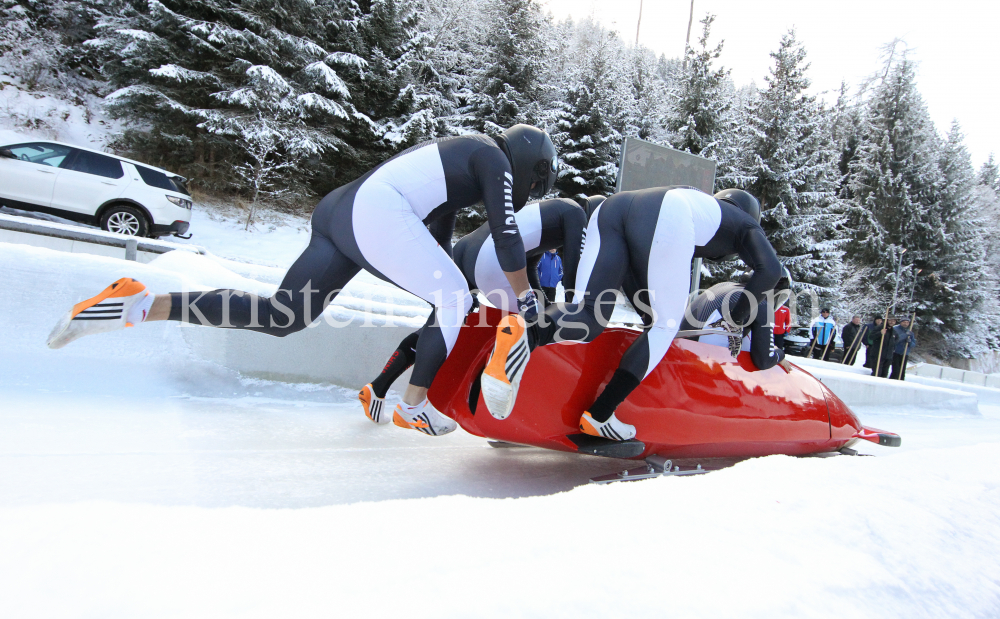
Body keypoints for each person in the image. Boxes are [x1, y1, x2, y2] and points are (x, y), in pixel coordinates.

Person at [47, 124, 559, 437]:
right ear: (530, 168)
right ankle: (413, 407)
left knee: (283, 316)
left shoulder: (460, 162)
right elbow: (507, 234)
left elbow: (440, 244)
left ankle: (140, 303)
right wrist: (524, 297)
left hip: (341, 208)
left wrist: (445, 299)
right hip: (377, 209)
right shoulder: (492, 157)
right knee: (454, 296)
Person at [480, 186, 781, 441]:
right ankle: (601, 414)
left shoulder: (701, 204)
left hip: (613, 207)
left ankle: (526, 332)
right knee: (666, 326)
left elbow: (640, 274)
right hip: (669, 214)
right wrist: (737, 318)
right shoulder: (745, 224)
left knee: (588, 314)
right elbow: (770, 271)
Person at [358, 197, 586, 423]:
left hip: (466, 249)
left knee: (436, 328)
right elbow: (573, 274)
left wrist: (541, 300)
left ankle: (377, 388)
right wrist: (570, 310)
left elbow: (530, 264)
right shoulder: (577, 214)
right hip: (493, 260)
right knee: (534, 330)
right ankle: (497, 411)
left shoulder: (547, 210)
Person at [680, 280, 792, 372]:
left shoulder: (725, 286)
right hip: (706, 364)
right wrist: (780, 354)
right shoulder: (761, 304)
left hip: (681, 350)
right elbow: (764, 361)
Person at [773, 268, 792, 352]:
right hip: (770, 331)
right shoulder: (769, 307)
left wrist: (787, 330)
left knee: (779, 348)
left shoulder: (785, 309)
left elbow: (788, 321)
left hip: (779, 333)